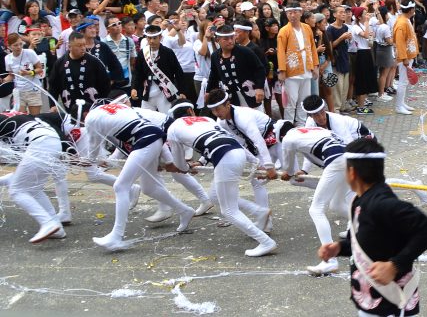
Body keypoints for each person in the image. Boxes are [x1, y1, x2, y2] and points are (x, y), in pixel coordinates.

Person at [317, 137, 427, 316]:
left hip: (392, 303)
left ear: (351, 172)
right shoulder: (359, 200)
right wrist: (339, 248)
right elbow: (364, 240)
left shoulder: (382, 203)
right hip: (371, 300)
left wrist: (394, 265)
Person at [165, 101, 276, 257]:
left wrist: (186, 167)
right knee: (214, 196)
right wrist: (255, 161)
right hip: (237, 153)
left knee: (229, 210)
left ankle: (265, 242)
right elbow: (231, 140)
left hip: (225, 159)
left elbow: (179, 164)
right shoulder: (206, 119)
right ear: (191, 111)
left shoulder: (173, 128)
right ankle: (259, 212)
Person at [82, 101, 195, 251]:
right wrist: (167, 160)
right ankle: (184, 210)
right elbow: (153, 131)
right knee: (149, 188)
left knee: (120, 186)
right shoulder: (119, 109)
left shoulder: (91, 118)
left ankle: (116, 236)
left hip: (146, 141)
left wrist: (89, 161)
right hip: (153, 138)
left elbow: (93, 144)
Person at [278, 121, 349, 276]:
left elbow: (288, 167)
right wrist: (302, 171)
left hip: (336, 159)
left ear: (281, 136)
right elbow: (311, 155)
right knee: (337, 204)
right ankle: (374, 226)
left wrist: (288, 173)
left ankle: (330, 261)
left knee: (316, 210)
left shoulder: (287, 138)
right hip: (350, 157)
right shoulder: (309, 131)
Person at [207, 88, 279, 225]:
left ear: (228, 104)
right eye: (213, 110)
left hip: (275, 140)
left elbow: (258, 141)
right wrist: (256, 162)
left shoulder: (243, 116)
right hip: (258, 147)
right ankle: (265, 223)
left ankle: (265, 221)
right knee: (257, 181)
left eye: (218, 109)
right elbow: (237, 144)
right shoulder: (221, 122)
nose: (216, 113)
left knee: (295, 178)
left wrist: (269, 166)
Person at [0, 113, 67, 243]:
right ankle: (57, 228)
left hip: (39, 145)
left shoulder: (5, 128)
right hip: (53, 142)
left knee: (17, 190)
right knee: (34, 189)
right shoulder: (19, 120)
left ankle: (48, 223)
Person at [277, 0, 319, 125]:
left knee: (303, 100)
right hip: (292, 71)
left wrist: (315, 66)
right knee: (290, 102)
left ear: (301, 13)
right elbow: (281, 52)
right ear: (286, 14)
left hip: (307, 69)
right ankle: (288, 125)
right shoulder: (284, 30)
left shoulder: (307, 28)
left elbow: (313, 47)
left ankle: (301, 123)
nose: (292, 15)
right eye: (290, 13)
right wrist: (282, 71)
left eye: (295, 12)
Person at [206, 24, 267, 110]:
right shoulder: (215, 56)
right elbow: (213, 76)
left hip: (250, 93)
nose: (230, 41)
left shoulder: (245, 51)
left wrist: (259, 87)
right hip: (231, 96)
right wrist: (208, 91)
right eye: (226, 39)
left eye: (232, 38)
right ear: (217, 40)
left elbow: (259, 69)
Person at [49, 31, 112, 113]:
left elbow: (105, 84)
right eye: (79, 45)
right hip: (71, 107)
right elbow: (53, 85)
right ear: (69, 47)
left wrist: (105, 103)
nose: (83, 48)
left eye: (84, 45)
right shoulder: (60, 63)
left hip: (93, 107)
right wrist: (52, 104)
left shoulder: (94, 62)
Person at [131, 24, 185, 113]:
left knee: (167, 116)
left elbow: (178, 72)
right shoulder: (142, 53)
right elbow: (137, 72)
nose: (152, 41)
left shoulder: (168, 52)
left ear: (160, 37)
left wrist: (182, 91)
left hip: (165, 92)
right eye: (149, 38)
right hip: (147, 91)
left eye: (154, 38)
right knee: (146, 117)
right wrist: (134, 88)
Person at [4, 32, 44, 114]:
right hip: (19, 92)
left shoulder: (29, 52)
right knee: (19, 117)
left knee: (35, 117)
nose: (19, 47)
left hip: (33, 89)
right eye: (15, 45)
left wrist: (29, 72)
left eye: (20, 44)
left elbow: (40, 69)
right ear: (9, 46)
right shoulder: (7, 58)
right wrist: (3, 80)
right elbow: (12, 75)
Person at [392, 0, 419, 116]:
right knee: (402, 82)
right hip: (405, 57)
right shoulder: (402, 23)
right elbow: (400, 43)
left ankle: (402, 103)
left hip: (408, 55)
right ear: (411, 9)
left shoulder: (405, 19)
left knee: (404, 82)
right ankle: (399, 106)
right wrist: (404, 58)